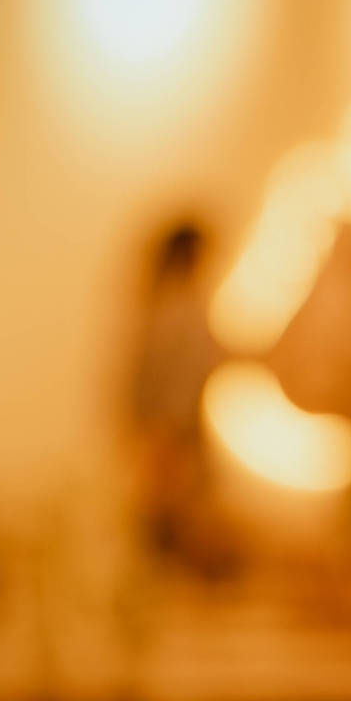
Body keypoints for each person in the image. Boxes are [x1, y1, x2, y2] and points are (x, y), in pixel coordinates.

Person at [126, 217, 233, 575]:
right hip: (173, 438)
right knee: (179, 532)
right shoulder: (180, 309)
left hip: (168, 436)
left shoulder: (156, 306)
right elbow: (173, 383)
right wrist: (169, 441)